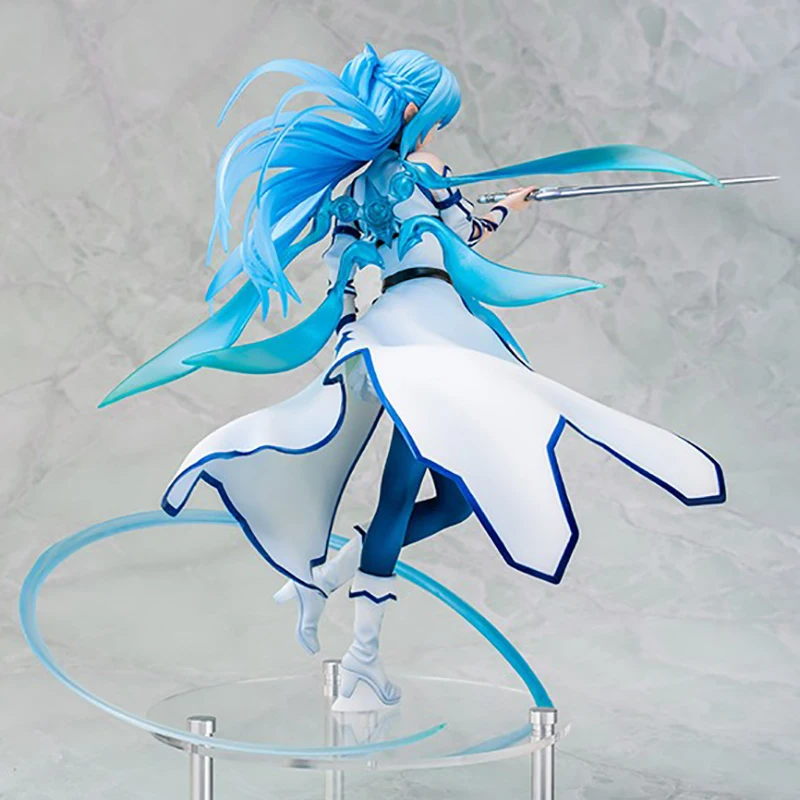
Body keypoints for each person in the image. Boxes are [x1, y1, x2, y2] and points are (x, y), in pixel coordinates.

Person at [101, 45, 726, 712]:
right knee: (415, 492)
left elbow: (358, 264)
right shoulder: (424, 172)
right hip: (432, 329)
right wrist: (509, 208)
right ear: (412, 113)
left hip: (397, 330)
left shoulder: (357, 190)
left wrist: (357, 321)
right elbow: (461, 233)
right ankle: (360, 657)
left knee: (448, 499)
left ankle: (331, 583)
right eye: (436, 119)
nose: (438, 131)